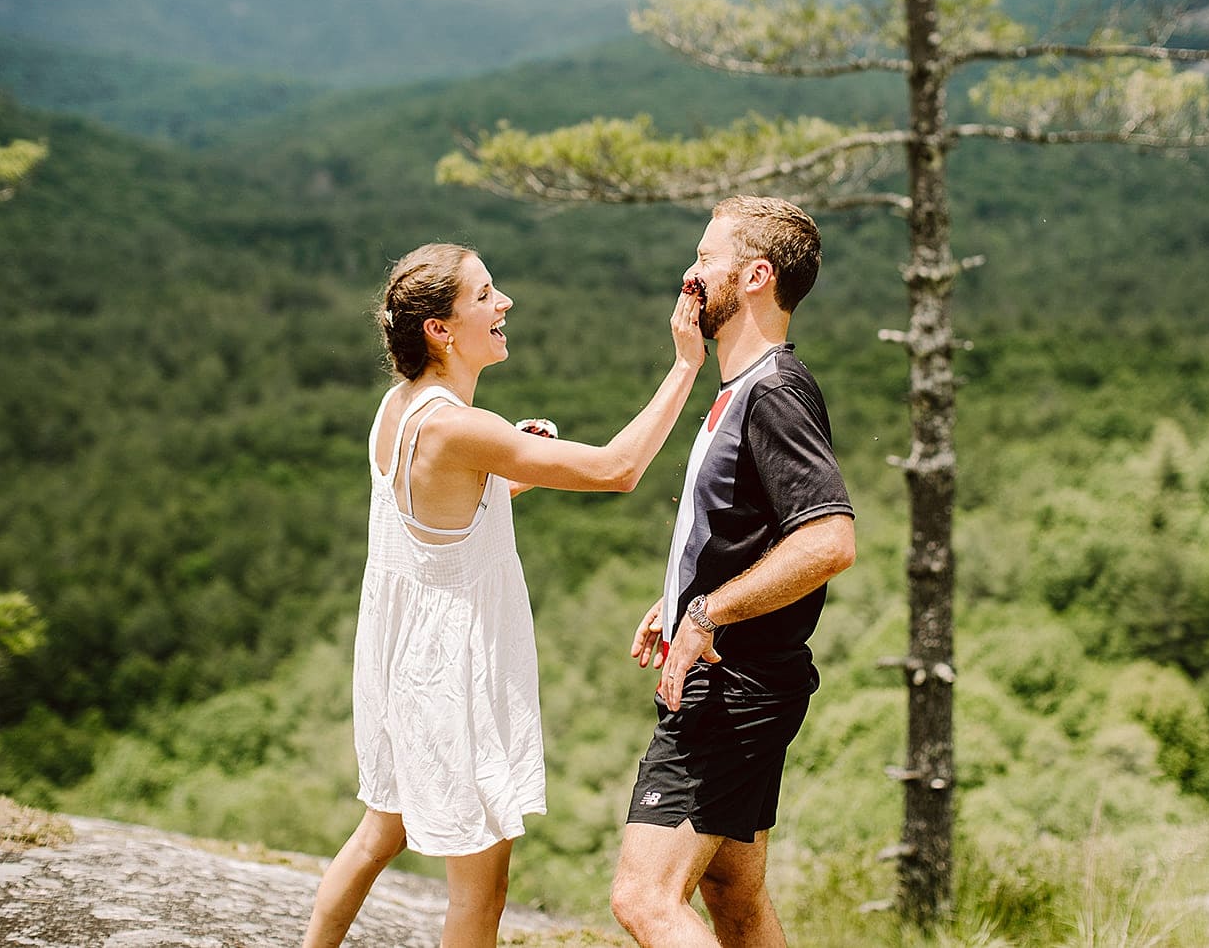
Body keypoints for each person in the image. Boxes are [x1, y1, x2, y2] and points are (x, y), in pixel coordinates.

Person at [302, 242, 705, 948]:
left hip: (400, 656)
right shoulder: (460, 425)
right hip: (453, 671)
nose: (504, 302)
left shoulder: (401, 409)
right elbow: (617, 469)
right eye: (486, 294)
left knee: (379, 830)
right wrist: (685, 366)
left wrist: (505, 463)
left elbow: (441, 509)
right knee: (481, 891)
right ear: (441, 329)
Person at [610, 197, 857, 947]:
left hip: (729, 686)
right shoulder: (739, 386)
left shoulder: (774, 389)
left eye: (705, 257)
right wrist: (678, 599)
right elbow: (746, 527)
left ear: (754, 275)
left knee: (646, 898)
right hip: (751, 678)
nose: (691, 272)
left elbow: (829, 540)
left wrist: (708, 613)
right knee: (734, 892)